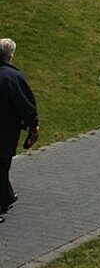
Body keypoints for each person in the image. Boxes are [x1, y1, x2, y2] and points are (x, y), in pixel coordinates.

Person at [1, 38, 40, 222]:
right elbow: (25, 104)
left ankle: (6, 196)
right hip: (5, 131)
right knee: (2, 165)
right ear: (11, 56)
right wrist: (33, 125)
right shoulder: (12, 78)